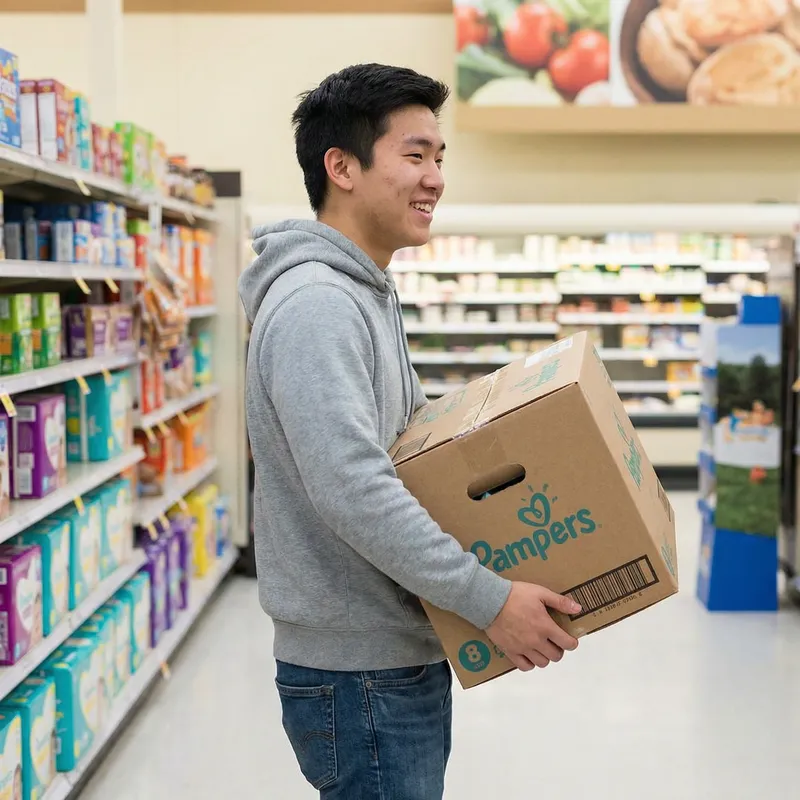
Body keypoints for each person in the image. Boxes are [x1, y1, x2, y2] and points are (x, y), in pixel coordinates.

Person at [238, 63, 581, 800]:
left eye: (440, 158)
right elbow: (354, 487)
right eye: (415, 155)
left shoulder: (363, 291)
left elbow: (407, 449)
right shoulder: (319, 305)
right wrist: (488, 599)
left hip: (389, 656)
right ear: (343, 168)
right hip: (361, 672)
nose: (435, 178)